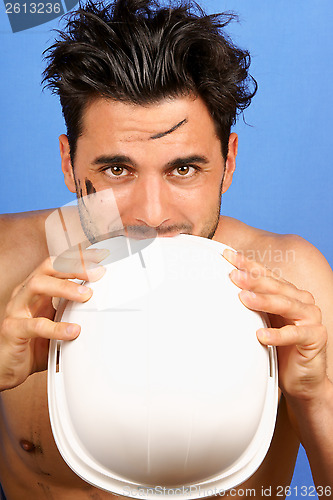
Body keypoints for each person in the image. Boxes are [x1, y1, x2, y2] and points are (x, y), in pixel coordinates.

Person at [0, 0, 332, 498]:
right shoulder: (8, 263)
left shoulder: (294, 287)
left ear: (229, 161)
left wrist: (317, 396)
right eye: (117, 169)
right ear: (70, 164)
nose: (152, 215)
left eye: (183, 169)